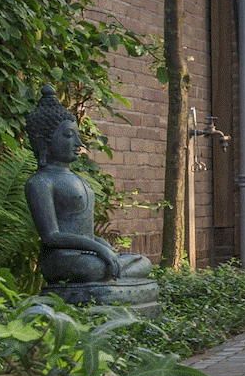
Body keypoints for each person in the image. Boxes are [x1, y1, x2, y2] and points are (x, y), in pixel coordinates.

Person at [24, 89, 151, 287]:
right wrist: (98, 249)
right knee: (94, 268)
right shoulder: (41, 182)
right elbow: (51, 236)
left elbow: (85, 232)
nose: (78, 143)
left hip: (89, 254)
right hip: (62, 260)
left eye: (78, 136)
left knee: (143, 262)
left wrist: (104, 246)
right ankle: (112, 275)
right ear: (43, 142)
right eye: (69, 136)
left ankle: (113, 273)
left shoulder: (76, 178)